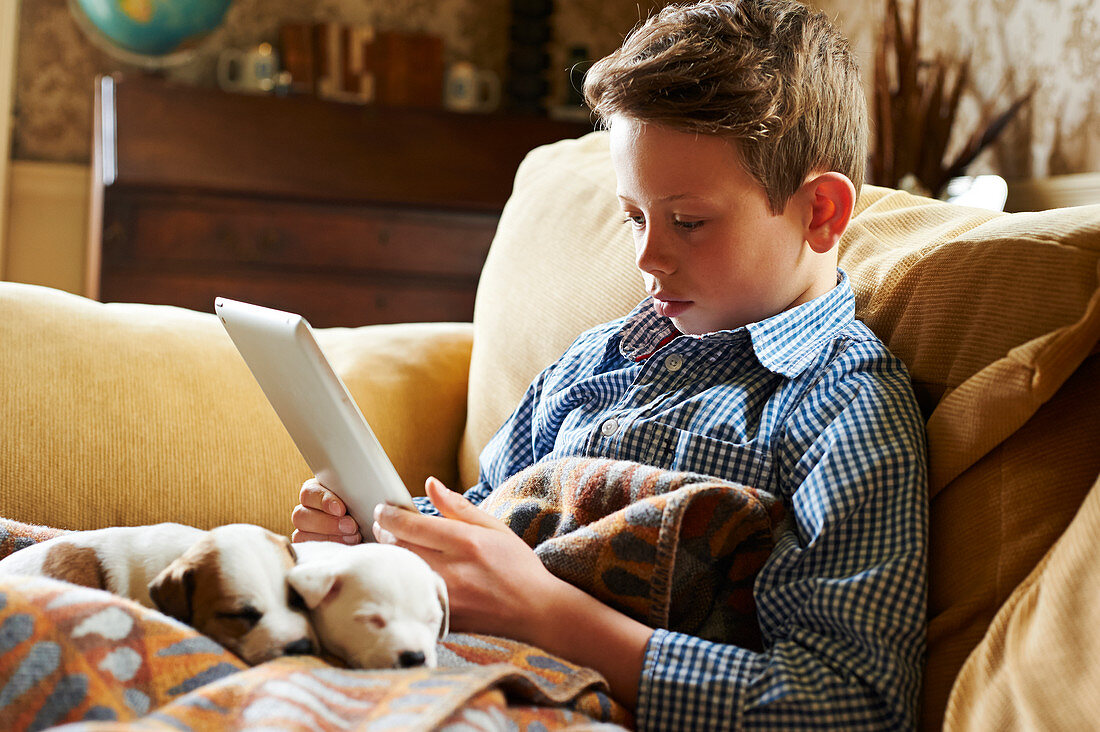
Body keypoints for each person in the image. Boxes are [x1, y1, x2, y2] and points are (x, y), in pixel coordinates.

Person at [292, 1, 929, 728]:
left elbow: (856, 705)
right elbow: (487, 521)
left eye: (688, 222)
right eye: (634, 216)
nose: (647, 257)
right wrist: (376, 543)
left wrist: (545, 613)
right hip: (433, 665)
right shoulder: (596, 360)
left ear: (820, 211)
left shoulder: (843, 406)